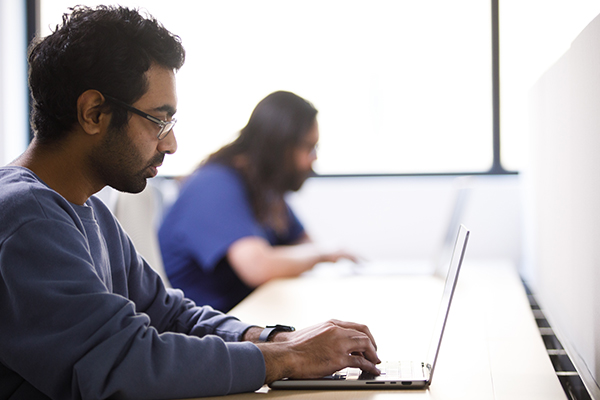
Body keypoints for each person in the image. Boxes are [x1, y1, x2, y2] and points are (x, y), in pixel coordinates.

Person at [0, 6, 380, 400]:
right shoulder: (27, 217)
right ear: (94, 113)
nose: (170, 144)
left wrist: (276, 338)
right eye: (158, 121)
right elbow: (123, 364)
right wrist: (286, 359)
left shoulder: (86, 209)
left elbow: (167, 314)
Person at [159, 91, 357, 312]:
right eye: (308, 147)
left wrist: (317, 253)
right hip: (200, 332)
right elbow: (258, 267)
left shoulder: (264, 190)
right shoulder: (214, 185)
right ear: (279, 146)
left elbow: (304, 243)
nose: (314, 159)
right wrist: (325, 254)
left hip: (242, 317)